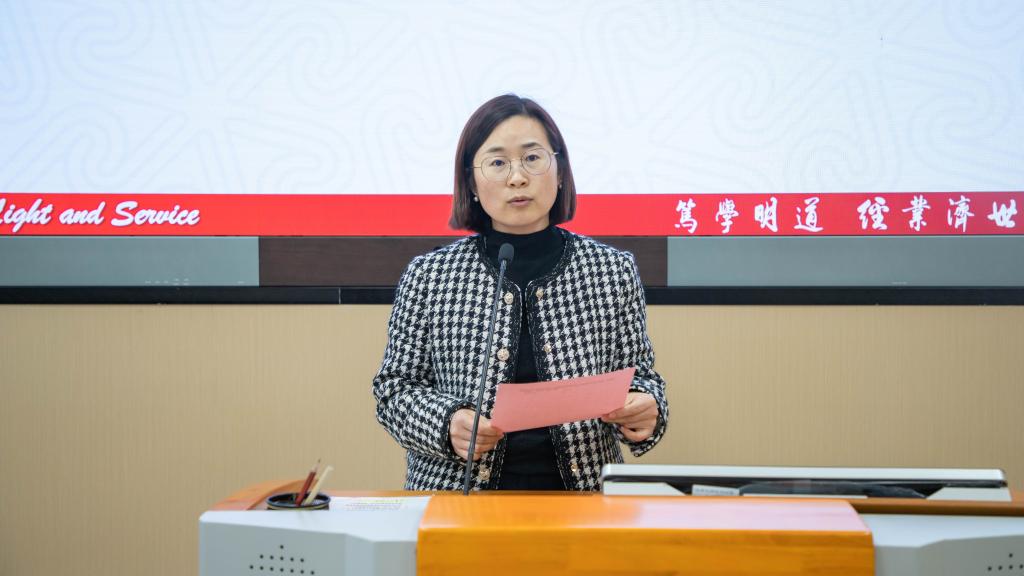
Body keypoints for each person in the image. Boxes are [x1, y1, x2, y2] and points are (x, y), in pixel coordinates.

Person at [372, 94, 669, 491]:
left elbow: (641, 379)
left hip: (584, 499)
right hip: (458, 499)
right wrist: (448, 422)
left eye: (532, 158)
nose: (517, 177)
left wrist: (646, 407)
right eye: (497, 163)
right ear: (471, 182)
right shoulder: (429, 276)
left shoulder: (611, 270)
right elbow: (394, 391)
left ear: (560, 170)